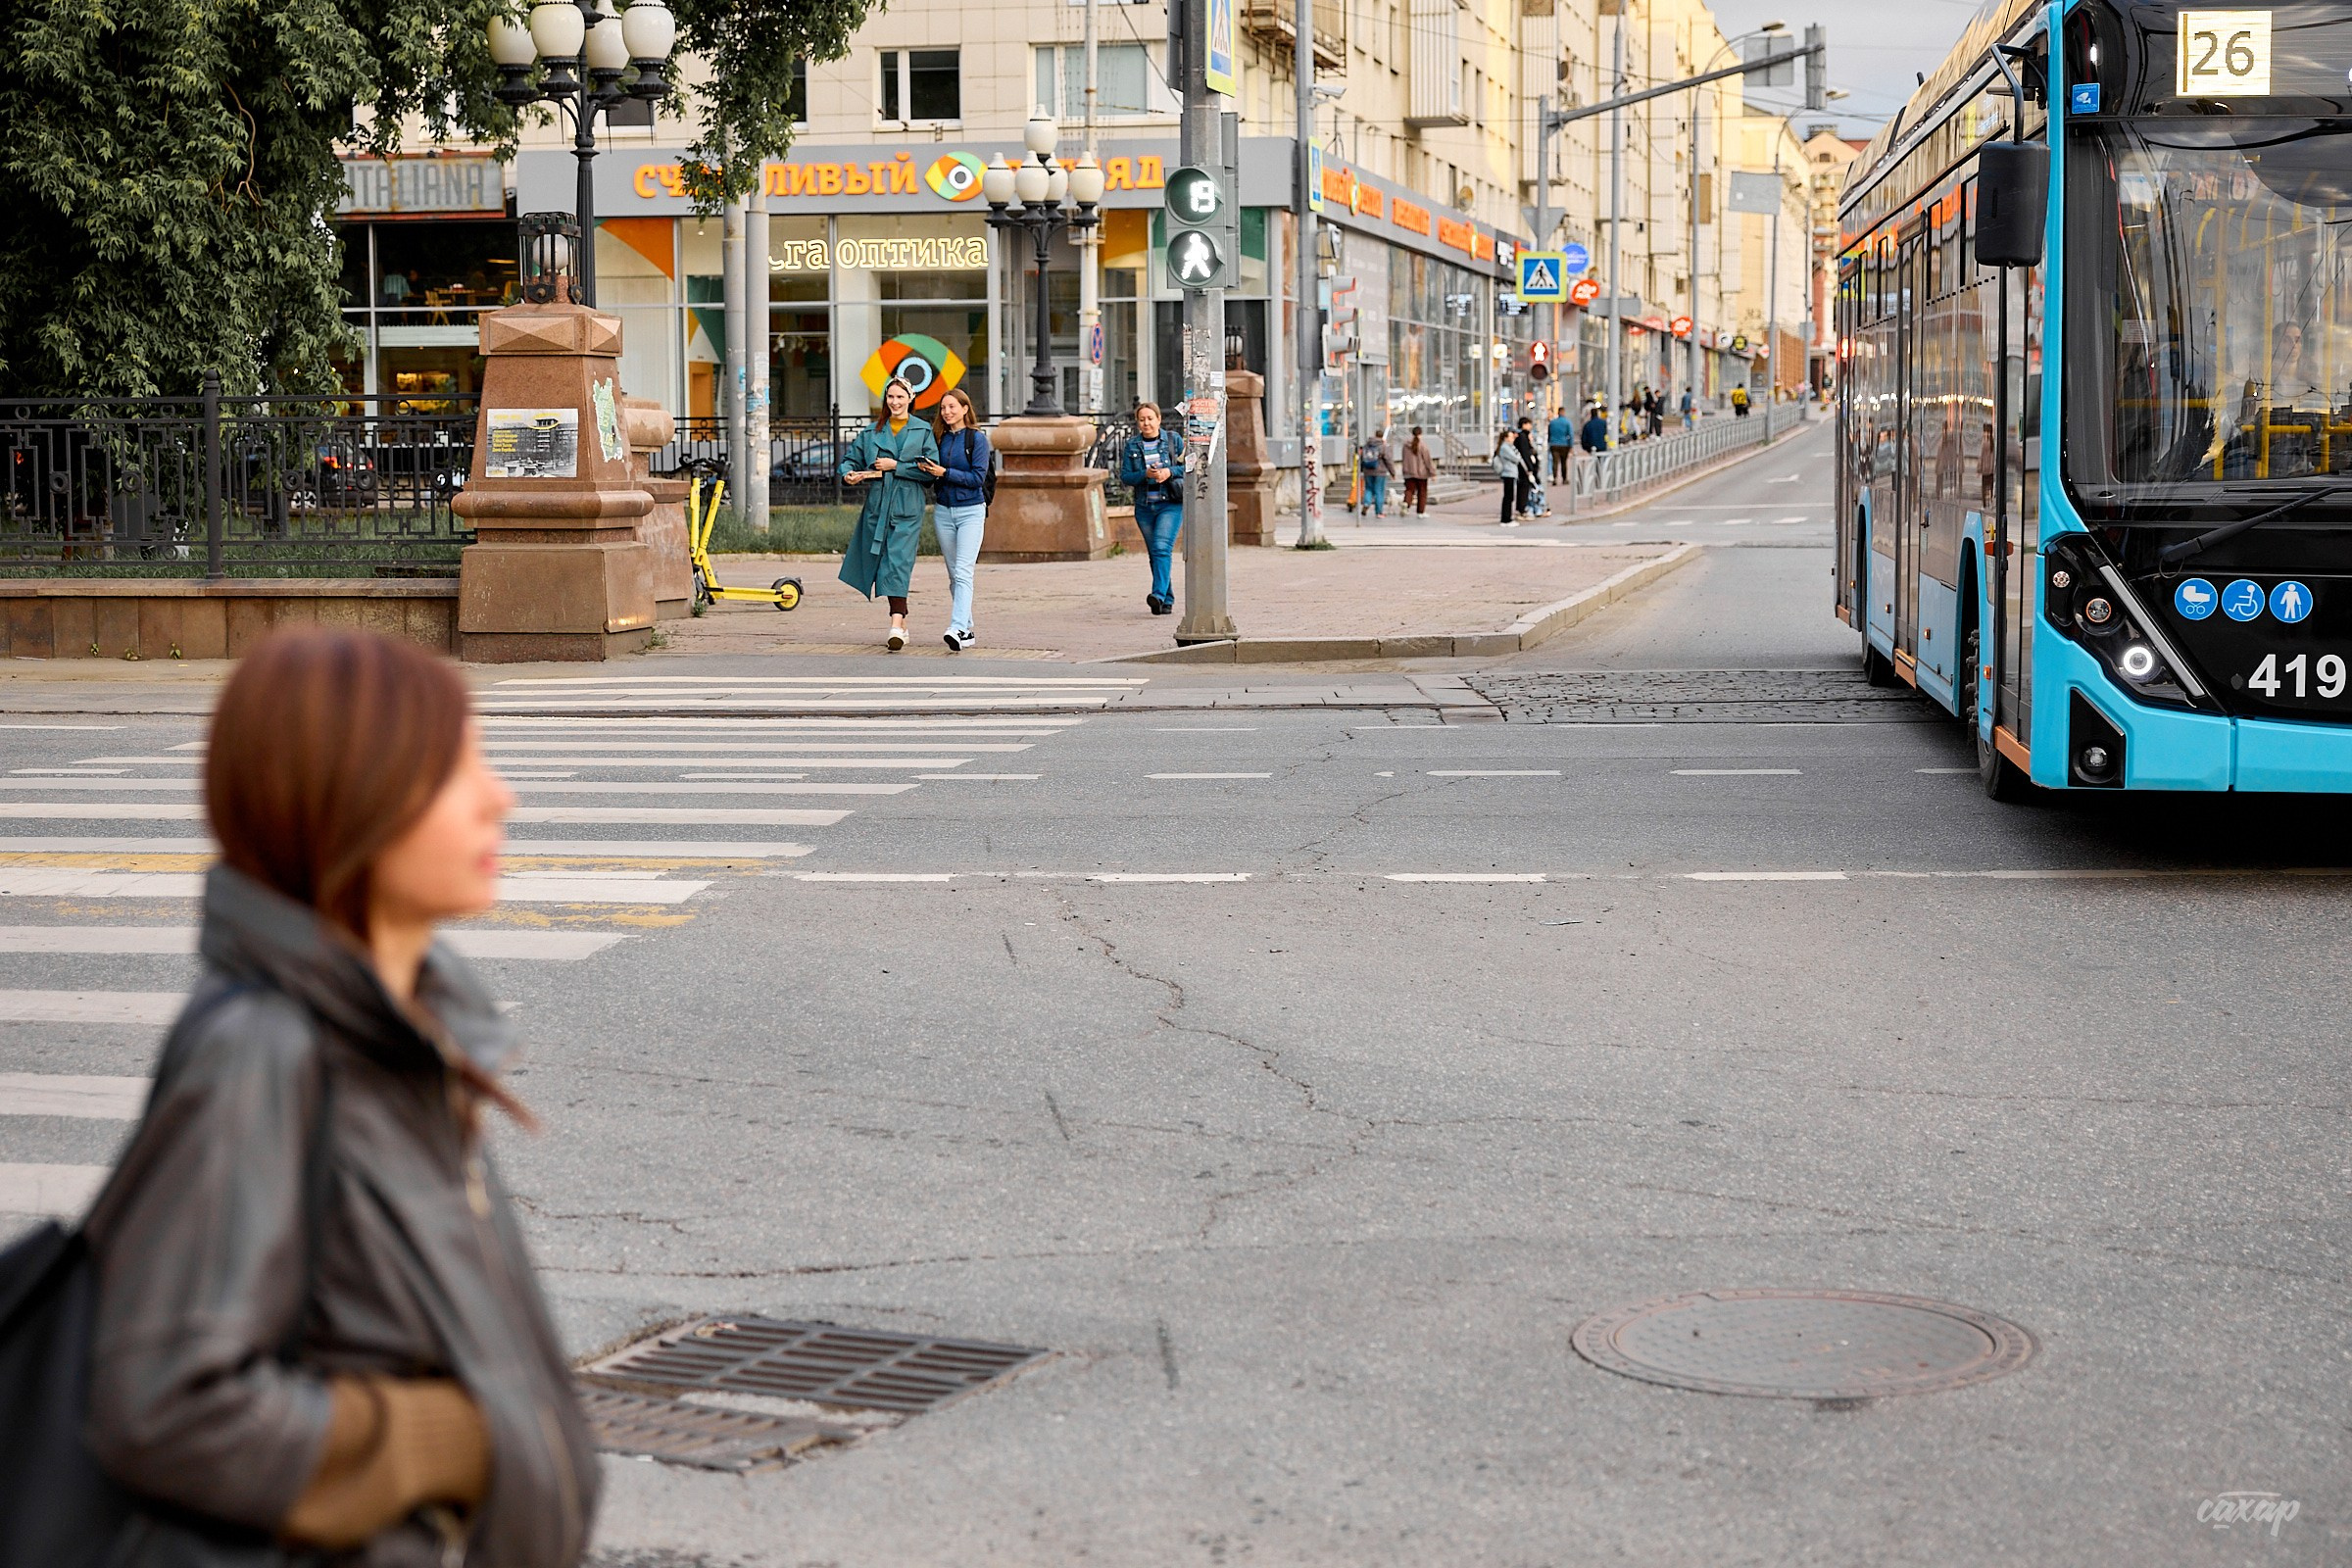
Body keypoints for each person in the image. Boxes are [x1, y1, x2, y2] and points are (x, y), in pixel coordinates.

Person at [81, 628, 599, 1566]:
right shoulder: (265, 1050)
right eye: (457, 769)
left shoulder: (397, 1033)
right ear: (349, 798)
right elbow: (163, 1399)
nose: (499, 797)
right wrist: (433, 1441)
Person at [839, 376, 941, 650]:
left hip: (908, 506)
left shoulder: (922, 431)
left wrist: (896, 465)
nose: (895, 402)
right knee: (881, 561)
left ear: (910, 399)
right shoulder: (872, 432)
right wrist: (848, 473)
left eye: (900, 397)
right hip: (878, 504)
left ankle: (895, 623)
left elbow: (930, 470)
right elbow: (850, 459)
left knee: (898, 562)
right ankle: (902, 622)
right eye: (890, 397)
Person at [931, 386, 990, 652]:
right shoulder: (939, 438)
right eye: (943, 408)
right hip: (943, 511)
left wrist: (945, 472)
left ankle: (956, 627)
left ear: (965, 409)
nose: (947, 412)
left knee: (964, 571)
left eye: (952, 407)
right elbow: (935, 474)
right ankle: (966, 629)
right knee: (954, 574)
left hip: (971, 511)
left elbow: (977, 478)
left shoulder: (976, 439)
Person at [1120, 402, 1186, 615]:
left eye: (1150, 418)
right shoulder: (1132, 446)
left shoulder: (1173, 440)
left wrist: (1169, 472)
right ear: (1138, 423)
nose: (1146, 423)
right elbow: (1125, 476)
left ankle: (1157, 594)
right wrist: (1145, 475)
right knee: (1155, 553)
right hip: (1145, 507)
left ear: (1159, 419)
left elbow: (1191, 465)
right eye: (1142, 419)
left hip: (1170, 504)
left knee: (1161, 548)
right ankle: (1166, 600)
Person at [1492, 428, 1526, 524]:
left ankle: (1507, 518)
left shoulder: (1509, 447)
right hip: (1508, 473)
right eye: (1510, 437)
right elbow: (1516, 458)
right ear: (1505, 438)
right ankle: (1506, 519)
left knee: (1509, 496)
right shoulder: (1505, 447)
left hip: (1511, 473)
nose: (1513, 439)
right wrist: (1518, 456)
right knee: (1508, 496)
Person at [1399, 425, 1435, 514]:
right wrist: (1432, 472)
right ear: (1420, 434)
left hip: (1408, 472)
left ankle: (1406, 504)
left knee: (1409, 490)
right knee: (1422, 493)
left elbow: (1403, 458)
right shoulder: (1423, 446)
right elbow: (1427, 460)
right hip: (1421, 473)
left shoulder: (1405, 445)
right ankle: (1420, 512)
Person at [1512, 417, 1544, 516]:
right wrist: (1530, 468)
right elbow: (1525, 453)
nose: (1530, 426)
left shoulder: (1523, 436)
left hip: (1524, 467)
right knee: (1524, 487)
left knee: (1525, 487)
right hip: (1524, 468)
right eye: (1529, 424)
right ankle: (1523, 508)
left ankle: (1524, 507)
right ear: (1524, 424)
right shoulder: (1522, 437)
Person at [1358, 428, 1393, 516]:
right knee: (1379, 491)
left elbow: (1362, 458)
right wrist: (1393, 472)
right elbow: (1388, 460)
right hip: (1380, 472)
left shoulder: (1367, 445)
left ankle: (1366, 503)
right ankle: (1379, 512)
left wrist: (1362, 469)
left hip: (1368, 471)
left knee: (1368, 489)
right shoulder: (1383, 446)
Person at [1547, 406, 1575, 483]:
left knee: (1555, 462)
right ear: (1563, 412)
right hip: (1564, 444)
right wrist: (1571, 446)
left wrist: (1549, 442)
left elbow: (1549, 434)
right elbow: (1570, 435)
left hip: (1554, 444)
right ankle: (1564, 479)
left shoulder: (1552, 422)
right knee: (1563, 462)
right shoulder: (1567, 422)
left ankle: (1554, 478)